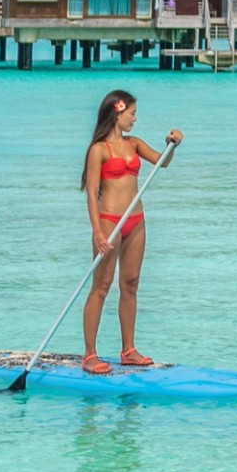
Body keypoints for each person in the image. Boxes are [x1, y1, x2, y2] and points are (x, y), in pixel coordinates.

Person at [78, 89, 181, 374]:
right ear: (117, 112)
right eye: (132, 113)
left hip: (136, 220)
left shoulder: (133, 144)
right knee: (101, 286)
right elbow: (91, 194)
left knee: (131, 283)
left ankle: (129, 350)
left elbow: (162, 161)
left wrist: (172, 144)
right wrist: (97, 232)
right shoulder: (98, 150)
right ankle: (89, 355)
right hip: (109, 221)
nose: (135, 119)